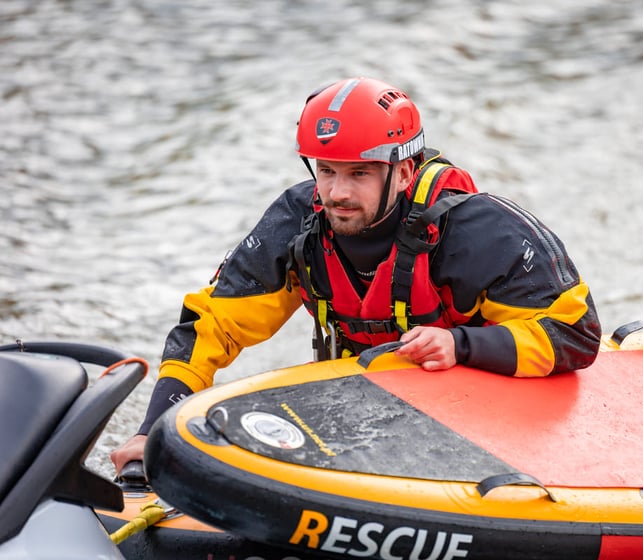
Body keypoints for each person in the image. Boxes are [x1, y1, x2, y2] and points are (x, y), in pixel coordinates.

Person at [111, 77, 601, 473]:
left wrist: (462, 345)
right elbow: (210, 326)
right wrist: (152, 431)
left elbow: (575, 334)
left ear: (405, 172)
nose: (337, 193)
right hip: (372, 407)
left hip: (484, 411)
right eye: (326, 171)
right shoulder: (298, 225)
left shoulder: (476, 231)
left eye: (359, 174)